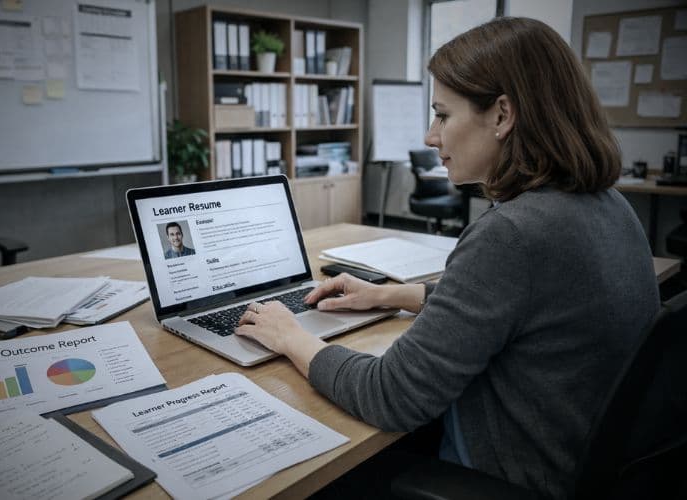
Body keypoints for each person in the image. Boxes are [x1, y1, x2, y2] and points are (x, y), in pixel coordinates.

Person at [235, 17, 659, 499]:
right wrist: (396, 294)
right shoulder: (608, 204)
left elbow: (387, 395)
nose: (431, 135)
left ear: (502, 115)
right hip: (580, 464)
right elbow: (528, 309)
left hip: (504, 477)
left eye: (442, 115)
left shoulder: (512, 235)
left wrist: (290, 336)